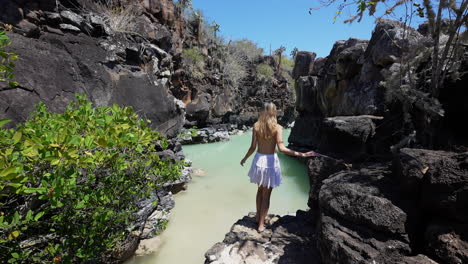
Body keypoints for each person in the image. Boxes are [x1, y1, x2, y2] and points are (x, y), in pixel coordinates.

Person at [240, 103, 315, 232]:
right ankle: (261, 225)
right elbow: (281, 148)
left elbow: (253, 147)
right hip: (270, 162)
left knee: (259, 190)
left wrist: (245, 158)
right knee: (267, 195)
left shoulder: (256, 126)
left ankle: (258, 217)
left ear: (262, 112)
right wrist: (302, 154)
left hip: (258, 160)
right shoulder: (278, 128)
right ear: (274, 112)